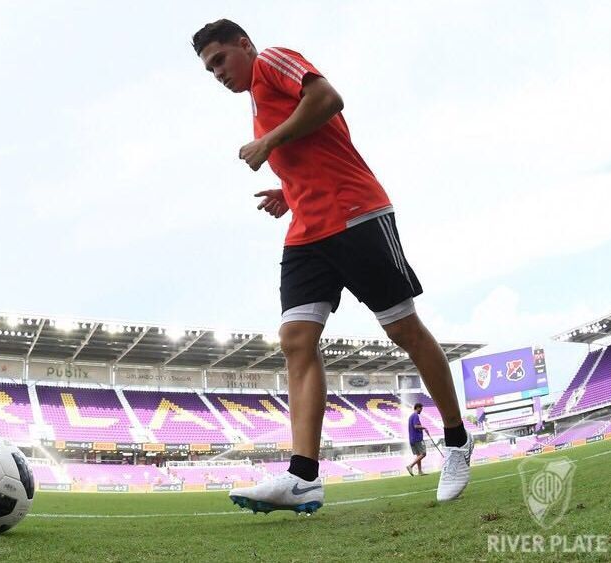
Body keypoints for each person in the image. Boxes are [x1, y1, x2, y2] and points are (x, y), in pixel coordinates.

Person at [191, 19, 473, 513]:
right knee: (295, 340)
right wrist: (286, 191)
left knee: (403, 329)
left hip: (354, 213)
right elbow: (313, 151)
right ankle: (303, 477)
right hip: (307, 228)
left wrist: (268, 143)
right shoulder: (256, 102)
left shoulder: (273, 60)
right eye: (209, 68)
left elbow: (327, 99)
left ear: (244, 45)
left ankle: (456, 439)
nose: (217, 73)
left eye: (220, 59)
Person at [406, 403, 427, 476]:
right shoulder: (415, 415)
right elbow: (416, 426)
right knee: (423, 453)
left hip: (412, 439)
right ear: (417, 408)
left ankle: (420, 471)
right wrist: (424, 428)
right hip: (417, 438)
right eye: (421, 409)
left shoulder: (411, 416)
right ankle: (410, 466)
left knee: (418, 455)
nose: (421, 410)